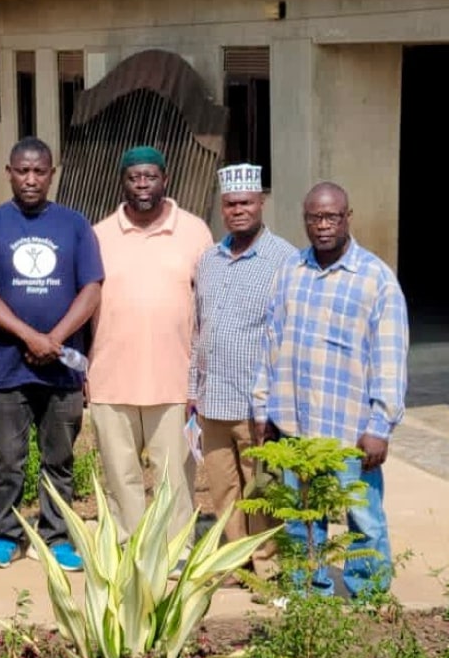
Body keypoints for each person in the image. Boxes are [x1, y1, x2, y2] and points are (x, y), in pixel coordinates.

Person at [254, 182, 408, 596]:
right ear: (304, 219)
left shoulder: (375, 279)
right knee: (302, 518)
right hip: (295, 427)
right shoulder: (290, 271)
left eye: (331, 217)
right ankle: (308, 595)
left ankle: (368, 596)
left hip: (350, 434)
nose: (322, 226)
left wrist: (381, 424)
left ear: (347, 218)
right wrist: (263, 409)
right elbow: (271, 342)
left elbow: (390, 359)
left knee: (363, 519)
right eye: (314, 218)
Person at [0, 137, 102, 569]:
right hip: (7, 368)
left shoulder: (75, 225)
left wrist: (54, 340)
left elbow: (92, 289)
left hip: (61, 371)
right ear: (8, 172)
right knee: (7, 459)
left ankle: (57, 536)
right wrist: (31, 338)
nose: (30, 179)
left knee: (59, 459)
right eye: (22, 171)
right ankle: (6, 534)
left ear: (51, 174)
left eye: (38, 171)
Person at [89, 145, 212, 540]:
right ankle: (128, 551)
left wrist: (201, 375)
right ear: (123, 182)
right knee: (120, 476)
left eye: (150, 176)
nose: (142, 184)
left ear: (165, 179)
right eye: (134, 177)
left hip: (175, 383)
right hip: (111, 380)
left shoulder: (195, 231)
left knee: (174, 478)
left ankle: (174, 553)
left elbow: (207, 307)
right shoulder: (99, 235)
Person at [190, 163, 292, 553]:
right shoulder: (210, 260)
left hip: (256, 405)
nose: (238, 211)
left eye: (246, 203)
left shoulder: (284, 260)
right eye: (231, 204)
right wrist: (191, 392)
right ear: (222, 206)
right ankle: (235, 562)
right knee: (223, 488)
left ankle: (267, 565)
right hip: (213, 401)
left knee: (262, 486)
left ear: (261, 202)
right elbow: (197, 328)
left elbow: (285, 337)